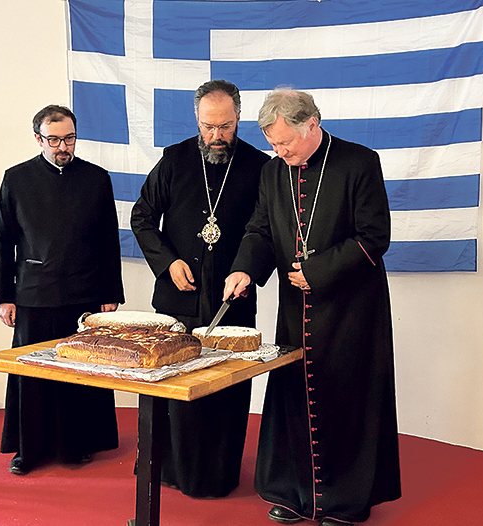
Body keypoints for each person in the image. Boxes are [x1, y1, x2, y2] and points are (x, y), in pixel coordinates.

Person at [223, 88, 401, 525]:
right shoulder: (272, 172)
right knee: (293, 398)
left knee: (345, 397)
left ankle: (342, 503)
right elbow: (261, 229)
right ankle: (293, 491)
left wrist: (318, 272)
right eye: (273, 145)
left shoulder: (359, 162)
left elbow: (374, 237)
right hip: (295, 312)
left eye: (286, 143)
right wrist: (245, 268)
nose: (279, 152)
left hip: (350, 309)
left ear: (312, 126)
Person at [130, 79, 270, 498]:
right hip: (178, 300)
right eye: (209, 127)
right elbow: (142, 217)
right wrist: (166, 261)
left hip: (233, 301)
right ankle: (170, 468)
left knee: (226, 391)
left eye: (225, 127)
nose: (216, 136)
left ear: (238, 119)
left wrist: (247, 269)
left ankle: (217, 473)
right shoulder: (173, 161)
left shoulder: (260, 166)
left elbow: (266, 229)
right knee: (174, 388)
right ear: (197, 119)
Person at [0, 104, 125, 476]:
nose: (63, 146)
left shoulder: (97, 178)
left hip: (84, 293)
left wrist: (110, 291)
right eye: (54, 139)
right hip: (33, 293)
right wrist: (4, 296)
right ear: (38, 139)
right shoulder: (16, 178)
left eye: (69, 138)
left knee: (78, 371)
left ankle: (76, 445)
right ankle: (28, 449)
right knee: (33, 372)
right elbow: (3, 241)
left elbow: (107, 240)